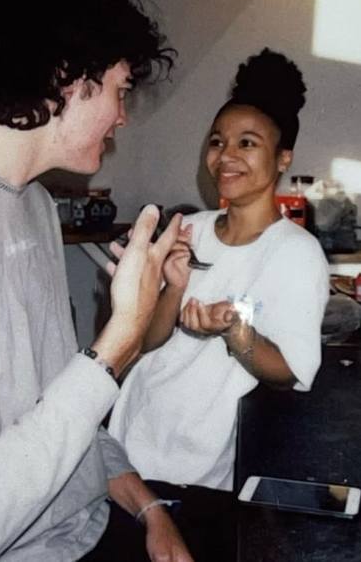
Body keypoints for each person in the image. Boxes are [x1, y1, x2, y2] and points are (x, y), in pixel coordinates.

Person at [0, 0, 194, 562]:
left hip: (88, 527)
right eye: (121, 90)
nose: (123, 115)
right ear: (65, 76)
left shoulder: (36, 204)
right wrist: (119, 341)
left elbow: (60, 405)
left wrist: (149, 508)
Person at [108, 48, 330, 491]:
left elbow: (290, 371)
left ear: (283, 157)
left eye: (247, 143)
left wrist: (234, 332)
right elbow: (144, 343)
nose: (226, 155)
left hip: (200, 460)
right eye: (216, 142)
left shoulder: (297, 253)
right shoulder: (188, 229)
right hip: (133, 430)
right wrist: (173, 289)